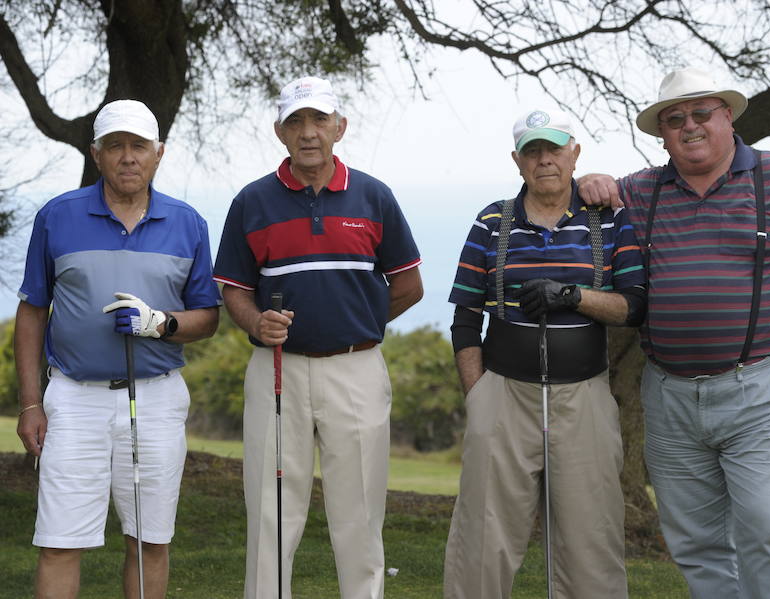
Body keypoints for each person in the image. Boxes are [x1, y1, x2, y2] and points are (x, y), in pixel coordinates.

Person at [578, 67, 770, 598]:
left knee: (768, 529)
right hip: (668, 393)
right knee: (695, 542)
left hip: (758, 389)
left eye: (702, 113)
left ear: (727, 116)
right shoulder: (640, 190)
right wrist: (589, 182)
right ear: (661, 134)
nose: (690, 126)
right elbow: (576, 208)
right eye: (675, 119)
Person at [213, 75, 423, 599]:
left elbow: (409, 285)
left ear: (340, 127)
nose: (308, 132)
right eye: (296, 121)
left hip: (356, 369)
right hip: (276, 369)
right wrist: (255, 321)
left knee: (359, 513)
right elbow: (234, 290)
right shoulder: (252, 201)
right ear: (280, 132)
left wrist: (359, 322)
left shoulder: (374, 196)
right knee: (271, 510)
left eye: (319, 120)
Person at [14, 99, 221, 599]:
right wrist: (30, 403)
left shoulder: (188, 223)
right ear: (97, 154)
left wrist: (160, 323)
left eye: (138, 146)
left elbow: (208, 317)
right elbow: (32, 311)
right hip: (72, 399)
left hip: (155, 398)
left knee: (149, 541)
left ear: (158, 153)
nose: (128, 157)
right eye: (115, 146)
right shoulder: (57, 216)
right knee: (61, 542)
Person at [443, 107, 647, 599]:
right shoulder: (492, 221)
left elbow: (634, 307)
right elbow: (466, 318)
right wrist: (479, 397)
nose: (544, 160)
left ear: (574, 153)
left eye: (554, 148)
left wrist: (574, 296)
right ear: (517, 161)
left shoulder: (609, 220)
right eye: (532, 151)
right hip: (504, 394)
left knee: (590, 541)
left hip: (584, 396)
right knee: (483, 540)